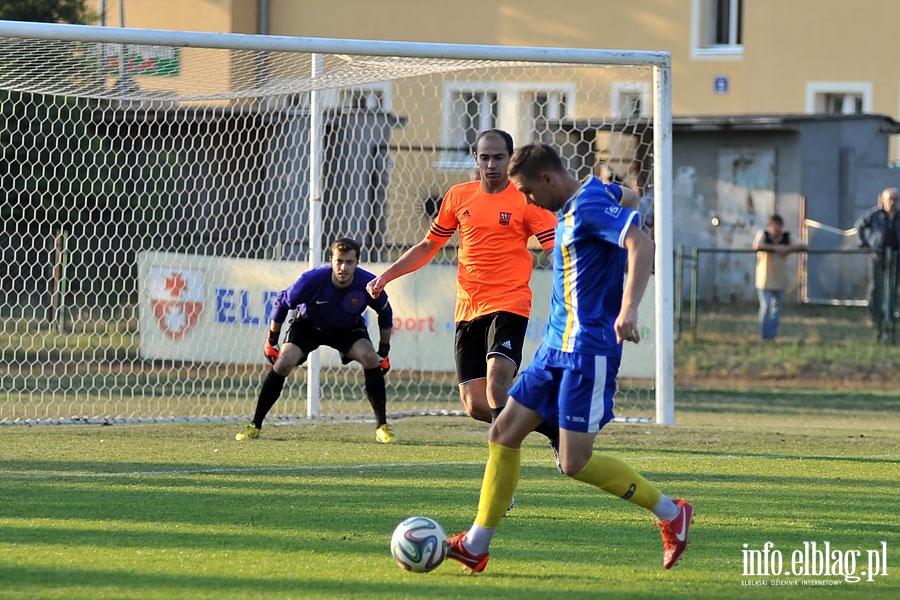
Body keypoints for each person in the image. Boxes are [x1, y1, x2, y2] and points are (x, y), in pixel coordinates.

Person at [444, 142, 693, 574]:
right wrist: (626, 196)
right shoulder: (596, 193)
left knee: (573, 463)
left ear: (548, 179)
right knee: (503, 431)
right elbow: (630, 199)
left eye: (526, 191)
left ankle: (672, 513)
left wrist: (629, 308)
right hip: (553, 348)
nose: (525, 201)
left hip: (587, 351)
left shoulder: (589, 206)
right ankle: (476, 544)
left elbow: (641, 244)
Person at [366, 129, 559, 445]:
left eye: (499, 157)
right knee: (477, 405)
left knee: (497, 385)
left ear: (510, 159)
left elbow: (553, 251)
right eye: (485, 157)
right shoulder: (458, 196)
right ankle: (550, 425)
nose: (492, 164)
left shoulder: (527, 199)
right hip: (468, 308)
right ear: (475, 158)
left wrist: (576, 283)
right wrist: (386, 276)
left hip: (510, 304)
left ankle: (502, 471)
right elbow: (429, 245)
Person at [235, 238, 396, 443]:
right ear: (331, 260)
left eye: (349, 262)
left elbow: (385, 313)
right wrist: (272, 340)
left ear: (357, 263)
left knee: (369, 357)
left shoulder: (367, 283)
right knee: (283, 362)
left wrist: (384, 351)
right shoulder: (311, 281)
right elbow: (283, 302)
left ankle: (382, 427)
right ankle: (254, 425)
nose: (343, 267)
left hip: (347, 329)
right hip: (308, 326)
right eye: (339, 261)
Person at [752, 214, 806, 340]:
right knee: (766, 307)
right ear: (769, 226)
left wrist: (787, 248)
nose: (776, 228)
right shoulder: (763, 235)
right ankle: (764, 336)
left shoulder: (787, 237)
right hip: (764, 281)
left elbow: (802, 246)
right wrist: (775, 248)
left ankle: (771, 336)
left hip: (780, 281)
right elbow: (757, 246)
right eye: (774, 225)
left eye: (779, 225)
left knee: (776, 310)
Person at [855, 187, 900, 328]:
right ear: (883, 200)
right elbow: (859, 226)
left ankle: (892, 313)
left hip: (897, 254)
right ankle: (873, 315)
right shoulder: (875, 214)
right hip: (877, 254)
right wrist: (864, 244)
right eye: (889, 199)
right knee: (875, 285)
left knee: (895, 285)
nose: (892, 202)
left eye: (895, 199)